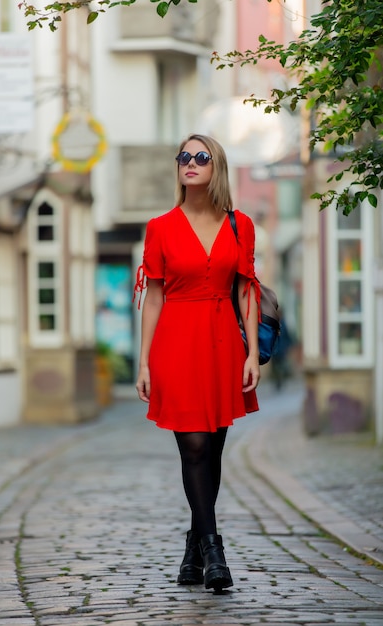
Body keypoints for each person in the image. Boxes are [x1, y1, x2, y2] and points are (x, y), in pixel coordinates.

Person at [133, 133, 261, 592]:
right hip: (176, 342)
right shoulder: (161, 226)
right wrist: (144, 362)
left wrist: (251, 354)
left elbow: (246, 289)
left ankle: (193, 546)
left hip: (224, 341)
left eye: (200, 157)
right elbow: (154, 297)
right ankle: (213, 550)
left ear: (216, 167)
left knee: (215, 448)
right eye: (183, 157)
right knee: (193, 446)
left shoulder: (239, 225)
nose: (190, 163)